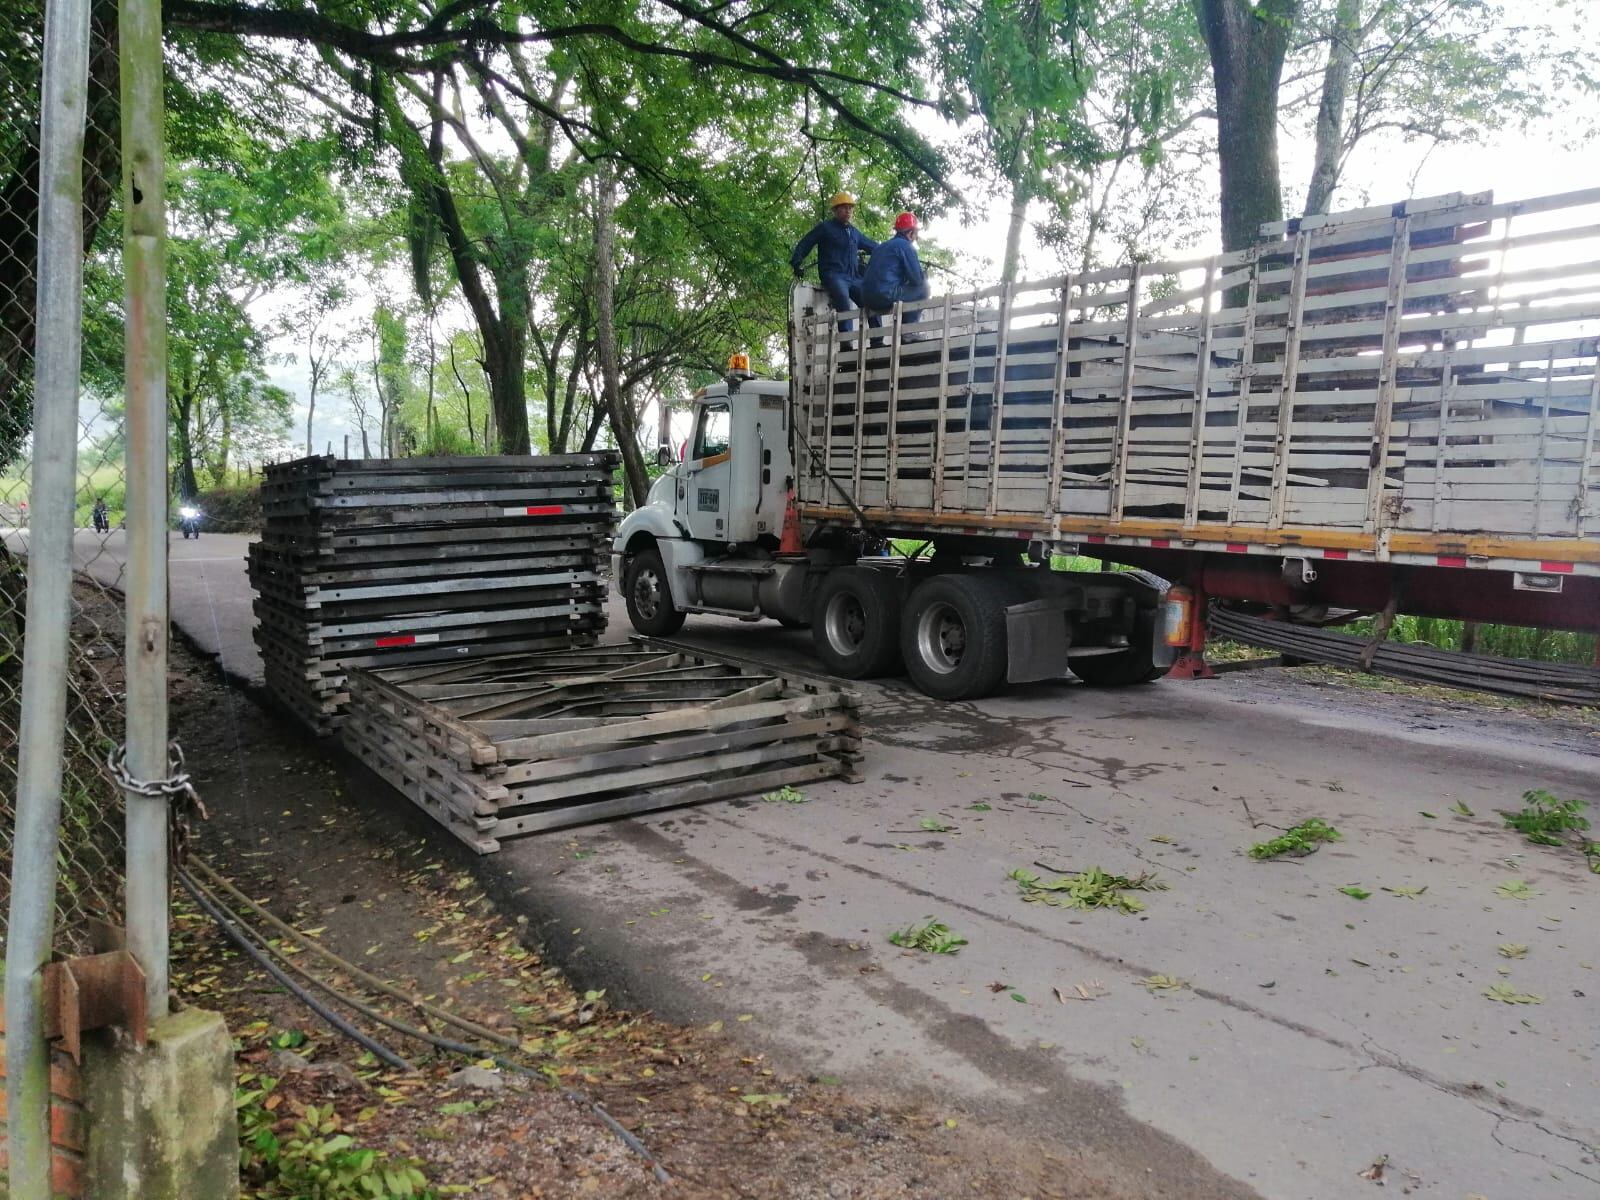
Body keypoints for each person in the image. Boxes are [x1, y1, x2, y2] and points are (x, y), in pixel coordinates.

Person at [790, 192, 877, 335]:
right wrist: (797, 261)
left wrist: (890, 251)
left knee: (871, 299)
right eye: (844, 207)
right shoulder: (826, 228)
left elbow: (873, 246)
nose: (848, 211)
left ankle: (877, 339)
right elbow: (807, 242)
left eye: (850, 208)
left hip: (853, 277)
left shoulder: (854, 233)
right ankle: (846, 339)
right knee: (843, 298)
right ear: (836, 210)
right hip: (834, 275)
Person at [860, 212, 929, 338]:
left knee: (905, 289)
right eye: (916, 233)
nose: (916, 237)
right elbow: (917, 280)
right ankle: (907, 333)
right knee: (923, 288)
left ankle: (881, 340)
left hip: (867, 299)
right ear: (910, 233)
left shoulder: (880, 247)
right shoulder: (906, 246)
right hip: (885, 295)